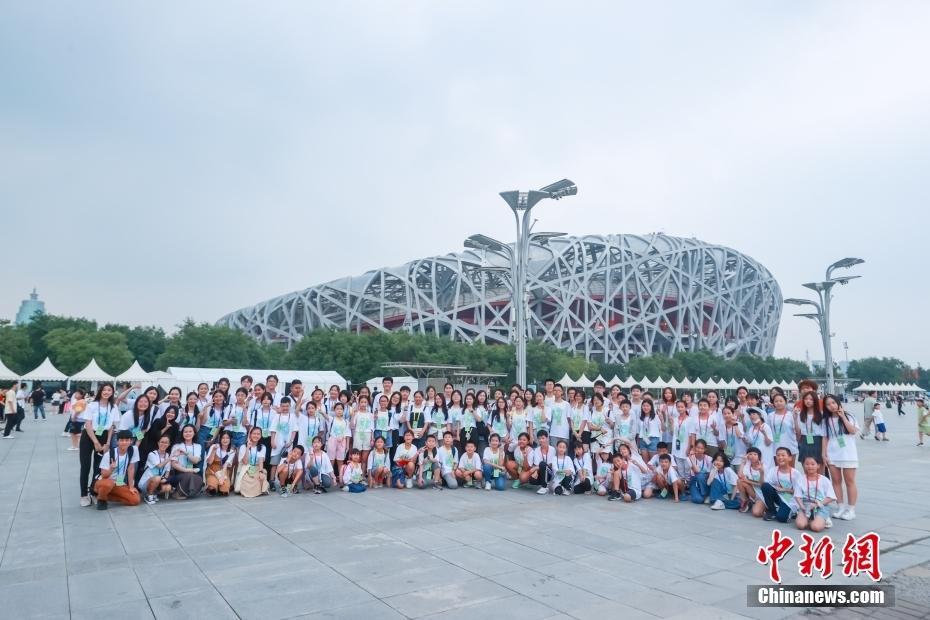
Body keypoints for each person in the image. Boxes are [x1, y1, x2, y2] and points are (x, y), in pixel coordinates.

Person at [79, 383, 120, 506]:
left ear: (112, 392)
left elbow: (112, 426)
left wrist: (107, 443)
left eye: (109, 390)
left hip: (104, 437)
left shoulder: (113, 407)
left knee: (98, 467)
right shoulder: (92, 405)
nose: (106, 392)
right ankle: (84, 495)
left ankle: (93, 491)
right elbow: (88, 424)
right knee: (85, 466)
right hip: (89, 436)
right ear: (100, 391)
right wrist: (95, 442)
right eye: (104, 390)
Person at [823, 394, 859, 521]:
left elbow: (853, 431)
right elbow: (825, 437)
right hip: (833, 453)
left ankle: (851, 509)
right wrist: (824, 454)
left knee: (849, 481)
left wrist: (843, 417)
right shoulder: (826, 420)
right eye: (828, 404)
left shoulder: (849, 416)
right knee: (836, 481)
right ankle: (841, 507)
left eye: (833, 403)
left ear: (838, 403)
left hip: (848, 453)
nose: (831, 406)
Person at [92, 430, 141, 510]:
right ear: (117, 441)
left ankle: (105, 495)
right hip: (104, 481)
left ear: (131, 441)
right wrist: (111, 468)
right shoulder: (109, 454)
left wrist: (131, 487)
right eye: (121, 440)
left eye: (127, 440)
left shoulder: (133, 450)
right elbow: (104, 475)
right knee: (108, 484)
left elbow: (131, 468)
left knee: (135, 500)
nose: (124, 443)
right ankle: (101, 499)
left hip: (119, 482)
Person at [760, 447, 803, 523]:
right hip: (779, 496)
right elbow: (766, 485)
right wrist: (762, 473)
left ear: (790, 458)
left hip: (790, 499)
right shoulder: (773, 470)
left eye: (783, 455)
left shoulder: (796, 473)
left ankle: (792, 512)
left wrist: (785, 490)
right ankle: (772, 511)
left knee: (781, 518)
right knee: (765, 486)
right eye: (778, 455)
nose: (780, 457)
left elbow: (800, 492)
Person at [794, 455, 836, 532]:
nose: (810, 466)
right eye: (807, 464)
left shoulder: (824, 480)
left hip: (820, 505)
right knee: (800, 525)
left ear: (818, 466)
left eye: (813, 464)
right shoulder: (801, 479)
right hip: (806, 505)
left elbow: (831, 497)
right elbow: (797, 496)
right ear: (803, 465)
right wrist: (802, 507)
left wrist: (817, 504)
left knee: (816, 527)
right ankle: (811, 518)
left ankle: (821, 519)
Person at [169, 424, 204, 499]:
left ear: (194, 433)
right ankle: (178, 493)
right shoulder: (177, 446)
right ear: (182, 433)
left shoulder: (198, 446)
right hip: (179, 473)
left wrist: (186, 453)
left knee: (199, 478)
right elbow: (174, 464)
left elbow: (195, 461)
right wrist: (187, 470)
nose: (188, 433)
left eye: (190, 431)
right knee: (189, 475)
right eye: (185, 432)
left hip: (193, 471)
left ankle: (188, 492)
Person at [797, 392, 826, 474]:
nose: (808, 401)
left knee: (820, 471)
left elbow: (824, 433)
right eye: (806, 399)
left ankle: (820, 486)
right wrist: (795, 418)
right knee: (807, 469)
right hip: (805, 440)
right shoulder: (801, 414)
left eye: (811, 399)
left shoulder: (821, 414)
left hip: (818, 441)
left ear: (815, 401)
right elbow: (798, 432)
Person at [235, 427, 269, 497]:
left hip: (256, 468)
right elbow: (245, 462)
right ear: (250, 435)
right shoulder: (243, 446)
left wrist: (260, 472)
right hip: (246, 468)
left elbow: (261, 461)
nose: (256, 436)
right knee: (246, 482)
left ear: (261, 436)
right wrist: (248, 447)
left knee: (260, 478)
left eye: (258, 434)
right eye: (254, 433)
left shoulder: (263, 447)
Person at [140, 434, 173, 505]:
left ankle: (153, 493)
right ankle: (148, 495)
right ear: (158, 443)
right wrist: (170, 458)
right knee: (157, 478)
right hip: (145, 483)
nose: (164, 444)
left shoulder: (167, 455)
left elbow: (167, 471)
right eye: (162, 442)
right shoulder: (152, 454)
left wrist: (165, 478)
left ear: (169, 444)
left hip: (158, 481)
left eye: (166, 442)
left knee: (168, 487)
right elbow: (159, 466)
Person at [737, 447, 767, 516]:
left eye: (755, 454)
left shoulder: (764, 466)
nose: (752, 456)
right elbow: (740, 476)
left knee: (756, 513)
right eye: (750, 454)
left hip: (762, 495)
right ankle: (745, 501)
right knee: (739, 481)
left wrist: (748, 481)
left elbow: (762, 484)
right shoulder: (748, 465)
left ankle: (763, 507)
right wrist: (743, 462)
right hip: (753, 492)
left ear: (759, 456)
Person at [205, 430, 235, 497]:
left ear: (230, 439)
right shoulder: (214, 446)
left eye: (227, 438)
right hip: (212, 470)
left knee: (224, 490)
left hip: (223, 471)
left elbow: (225, 466)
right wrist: (213, 451)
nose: (225, 440)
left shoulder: (232, 451)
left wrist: (221, 477)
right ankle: (214, 486)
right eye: (223, 438)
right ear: (220, 439)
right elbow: (209, 462)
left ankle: (219, 486)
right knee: (212, 487)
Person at [529, 430, 556, 494]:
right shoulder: (537, 450)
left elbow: (550, 464)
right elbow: (536, 464)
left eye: (543, 438)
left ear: (547, 438)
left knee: (542, 464)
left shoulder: (552, 449)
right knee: (531, 480)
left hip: (550, 472)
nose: (541, 440)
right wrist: (535, 472)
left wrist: (536, 468)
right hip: (540, 471)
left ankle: (544, 487)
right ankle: (545, 483)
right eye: (539, 439)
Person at [686, 439, 713, 504]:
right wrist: (691, 458)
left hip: (705, 481)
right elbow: (696, 471)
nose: (699, 450)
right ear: (695, 447)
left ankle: (705, 494)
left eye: (702, 448)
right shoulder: (689, 458)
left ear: (705, 449)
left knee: (701, 476)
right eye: (698, 447)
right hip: (694, 481)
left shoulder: (709, 459)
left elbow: (709, 475)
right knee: (698, 500)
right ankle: (703, 495)